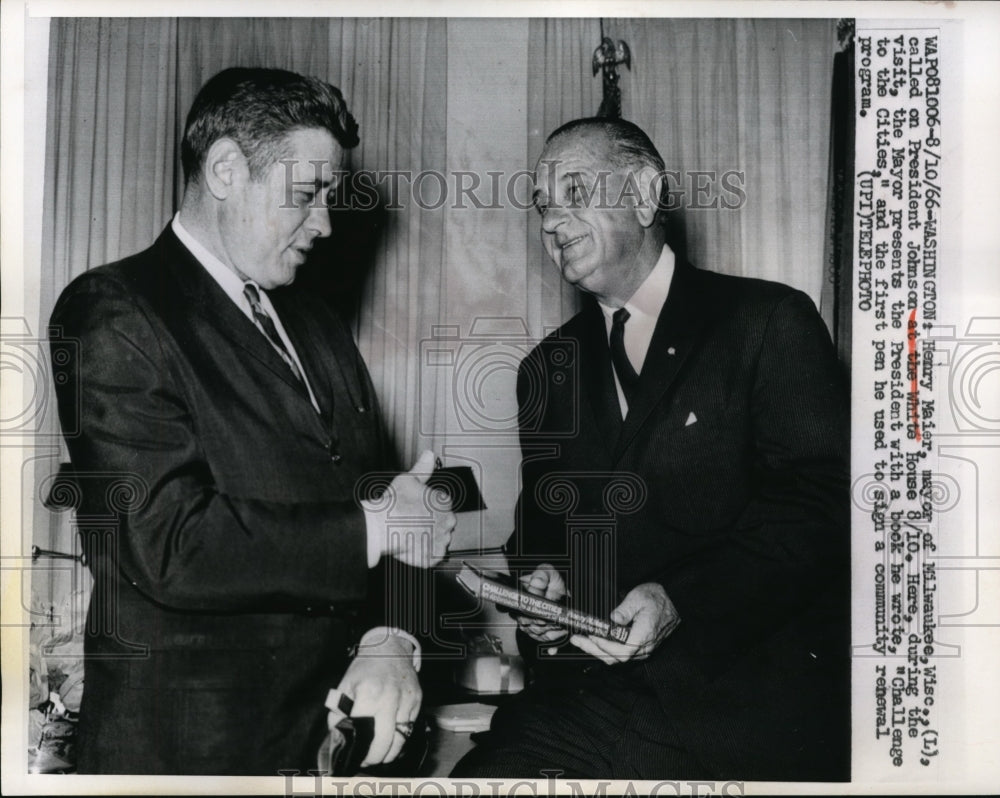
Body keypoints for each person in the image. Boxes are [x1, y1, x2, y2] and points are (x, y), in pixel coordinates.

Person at [48, 67, 456, 775]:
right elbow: (168, 542)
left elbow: (375, 504)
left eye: (329, 197)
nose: (325, 223)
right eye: (305, 194)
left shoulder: (317, 322)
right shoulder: (114, 311)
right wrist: (379, 525)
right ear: (226, 170)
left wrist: (390, 637)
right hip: (188, 758)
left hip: (327, 744)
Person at [452, 117, 850, 781]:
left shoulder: (767, 321)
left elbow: (824, 505)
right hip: (586, 699)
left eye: (574, 194)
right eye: (543, 206)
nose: (552, 223)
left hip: (741, 707)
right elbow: (541, 533)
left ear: (643, 195)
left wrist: (682, 600)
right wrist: (543, 588)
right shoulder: (546, 369)